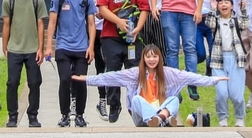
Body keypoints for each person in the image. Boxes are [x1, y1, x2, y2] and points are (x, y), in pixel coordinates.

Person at [75, 43, 226, 127]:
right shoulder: (135, 73)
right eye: (148, 57)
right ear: (144, 59)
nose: (152, 60)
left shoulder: (168, 73)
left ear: (159, 58)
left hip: (160, 112)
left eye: (155, 57)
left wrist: (213, 80)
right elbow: (111, 77)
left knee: (174, 99)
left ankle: (159, 119)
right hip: (142, 118)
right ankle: (160, 120)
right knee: (135, 100)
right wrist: (87, 79)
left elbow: (190, 77)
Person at [95, 0, 151, 123]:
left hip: (133, 38)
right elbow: (102, 9)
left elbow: (144, 10)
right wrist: (118, 21)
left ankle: (135, 105)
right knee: (113, 71)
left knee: (134, 73)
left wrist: (137, 29)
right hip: (110, 37)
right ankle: (114, 104)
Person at [46, 0, 97, 127]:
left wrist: (91, 46)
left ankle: (80, 115)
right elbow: (52, 22)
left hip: (82, 47)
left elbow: (91, 24)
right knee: (65, 79)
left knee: (80, 81)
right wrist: (48, 47)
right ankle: (65, 114)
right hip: (63, 46)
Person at [1, 0, 48, 127]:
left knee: (34, 82)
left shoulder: (37, 0)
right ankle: (12, 116)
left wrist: (41, 48)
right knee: (12, 82)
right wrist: (4, 45)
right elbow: (6, 24)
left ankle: (33, 116)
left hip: (32, 49)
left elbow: (41, 25)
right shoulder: (9, 1)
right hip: (14, 48)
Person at [203, 0, 247, 126]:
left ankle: (240, 118)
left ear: (232, 6)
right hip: (218, 60)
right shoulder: (216, 20)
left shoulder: (236, 20)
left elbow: (246, 23)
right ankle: (223, 118)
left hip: (236, 60)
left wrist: (243, 9)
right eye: (220, 2)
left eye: (226, 2)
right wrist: (211, 8)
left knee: (237, 95)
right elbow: (208, 22)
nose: (223, 4)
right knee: (222, 93)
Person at [76, 0, 109, 118]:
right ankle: (75, 103)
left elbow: (108, 1)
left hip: (101, 28)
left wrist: (103, 12)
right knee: (79, 66)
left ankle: (102, 101)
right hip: (82, 30)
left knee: (101, 67)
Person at [196, 0, 223, 74]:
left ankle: (209, 66)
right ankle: (193, 65)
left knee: (214, 51)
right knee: (200, 53)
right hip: (197, 21)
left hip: (213, 20)